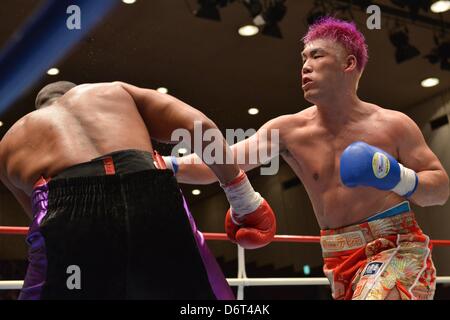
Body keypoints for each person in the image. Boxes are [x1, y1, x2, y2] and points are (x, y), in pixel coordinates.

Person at [164, 17, 449, 300]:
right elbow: (222, 161)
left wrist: (396, 176)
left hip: (396, 246)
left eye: (317, 55)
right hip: (337, 257)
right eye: (303, 58)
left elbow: (440, 190)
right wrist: (165, 165)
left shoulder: (394, 125)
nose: (305, 66)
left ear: (348, 64)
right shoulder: (288, 131)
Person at [0, 81, 276, 299]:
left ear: (38, 109)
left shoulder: (11, 140)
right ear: (76, 91)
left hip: (67, 208)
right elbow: (200, 127)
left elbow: (38, 216)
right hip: (149, 188)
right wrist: (244, 199)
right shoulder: (113, 92)